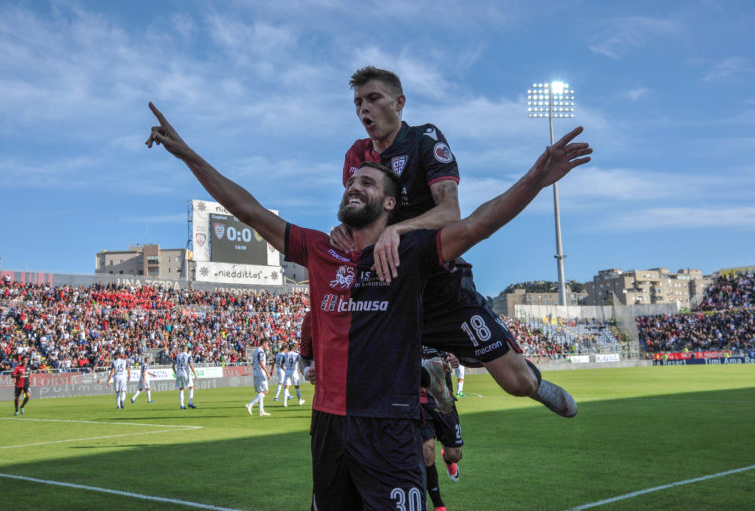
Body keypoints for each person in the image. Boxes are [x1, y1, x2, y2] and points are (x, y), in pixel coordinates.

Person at [146, 101, 590, 510]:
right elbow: (247, 209)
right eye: (352, 181)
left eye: (368, 182)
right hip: (328, 428)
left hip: (390, 428)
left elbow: (476, 224)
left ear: (390, 204)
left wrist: (535, 178)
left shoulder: (411, 252)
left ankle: (509, 378)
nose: (354, 185)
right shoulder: (319, 249)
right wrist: (188, 154)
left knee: (512, 380)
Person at [331, 66, 577, 418]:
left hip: (442, 279)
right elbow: (359, 213)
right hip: (393, 282)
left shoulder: (423, 139)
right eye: (357, 103)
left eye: (373, 98)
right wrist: (341, 228)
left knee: (515, 383)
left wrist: (397, 230)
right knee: (371, 374)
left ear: (399, 102)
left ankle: (532, 383)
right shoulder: (356, 155)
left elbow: (451, 211)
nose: (363, 109)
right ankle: (429, 378)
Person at [421, 349, 464, 511]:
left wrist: (454, 356)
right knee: (427, 450)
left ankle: (448, 459)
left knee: (455, 454)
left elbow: (454, 350)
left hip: (444, 397)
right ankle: (438, 504)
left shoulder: (439, 327)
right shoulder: (410, 327)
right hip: (421, 399)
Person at [245, 338, 271, 416]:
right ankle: (250, 404)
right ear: (264, 343)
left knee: (260, 392)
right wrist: (267, 372)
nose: (267, 345)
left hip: (256, 372)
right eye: (267, 344)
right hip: (261, 373)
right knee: (265, 391)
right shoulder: (261, 351)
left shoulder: (256, 350)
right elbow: (260, 362)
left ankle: (261, 411)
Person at [173, 344, 198, 409]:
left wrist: (175, 372)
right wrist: (195, 374)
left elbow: (172, 366)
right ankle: (190, 403)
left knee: (181, 389)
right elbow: (191, 365)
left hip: (179, 373)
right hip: (186, 374)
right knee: (191, 387)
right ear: (186, 350)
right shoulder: (188, 356)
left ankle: (182, 405)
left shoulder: (177, 356)